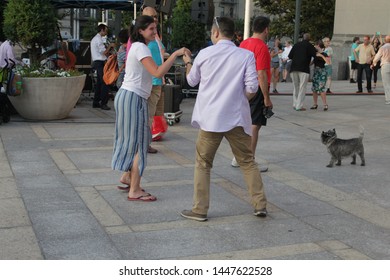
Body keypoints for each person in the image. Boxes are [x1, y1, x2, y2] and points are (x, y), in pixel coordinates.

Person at [180, 16, 268, 222]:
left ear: (216, 33)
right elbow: (252, 88)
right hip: (236, 118)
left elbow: (191, 81)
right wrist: (237, 100)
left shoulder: (205, 53)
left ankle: (200, 210)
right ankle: (260, 205)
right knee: (247, 162)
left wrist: (188, 63)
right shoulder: (245, 55)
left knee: (203, 164)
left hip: (211, 119)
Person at [111, 15, 189, 201]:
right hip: (133, 98)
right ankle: (135, 190)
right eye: (151, 29)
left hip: (128, 96)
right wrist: (176, 55)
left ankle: (128, 177)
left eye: (155, 28)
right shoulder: (141, 47)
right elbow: (157, 72)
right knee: (140, 144)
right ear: (140, 31)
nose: (155, 32)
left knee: (133, 141)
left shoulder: (138, 47)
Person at [231, 16, 273, 173]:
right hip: (256, 89)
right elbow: (261, 73)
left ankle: (238, 156)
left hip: (243, 87)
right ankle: (249, 160)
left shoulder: (244, 43)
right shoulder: (261, 47)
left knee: (243, 123)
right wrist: (267, 97)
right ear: (266, 29)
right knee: (255, 125)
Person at [142, 6, 167, 154]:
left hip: (158, 80)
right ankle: (145, 143)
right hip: (150, 81)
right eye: (151, 16)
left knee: (155, 112)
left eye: (156, 16)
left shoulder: (155, 35)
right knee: (148, 114)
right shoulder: (142, 38)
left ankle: (149, 138)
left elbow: (161, 54)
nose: (155, 19)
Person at [288, 33, 317, 111]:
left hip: (294, 68)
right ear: (309, 39)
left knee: (295, 86)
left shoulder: (296, 45)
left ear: (303, 38)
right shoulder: (310, 46)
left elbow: (290, 56)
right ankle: (299, 106)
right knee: (302, 87)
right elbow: (315, 55)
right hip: (304, 69)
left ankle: (295, 104)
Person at [90, 23, 116, 110]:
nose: (106, 32)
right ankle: (103, 103)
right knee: (105, 82)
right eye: (105, 30)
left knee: (99, 84)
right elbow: (104, 52)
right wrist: (110, 46)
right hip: (100, 62)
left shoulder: (96, 39)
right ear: (102, 30)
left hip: (97, 62)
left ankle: (96, 102)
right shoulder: (98, 39)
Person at [310, 40, 329, 111]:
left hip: (322, 72)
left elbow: (328, 62)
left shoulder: (324, 54)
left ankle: (325, 104)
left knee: (321, 88)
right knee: (314, 88)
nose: (315, 46)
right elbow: (312, 63)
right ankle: (315, 104)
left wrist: (321, 55)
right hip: (316, 71)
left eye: (316, 45)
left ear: (318, 46)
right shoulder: (314, 54)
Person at [372, 35, 390, 104]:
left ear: (385, 41)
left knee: (387, 83)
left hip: (385, 65)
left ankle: (388, 99)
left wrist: (373, 63)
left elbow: (377, 57)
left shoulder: (383, 48)